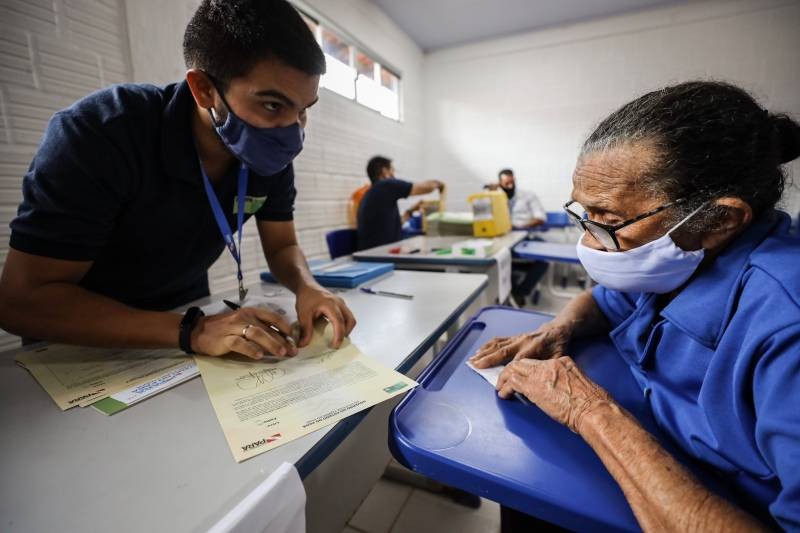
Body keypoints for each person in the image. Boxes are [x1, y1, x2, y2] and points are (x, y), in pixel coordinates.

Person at [470, 81, 800, 531]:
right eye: (583, 215)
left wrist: (589, 412)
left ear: (718, 220)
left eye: (607, 221)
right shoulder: (677, 259)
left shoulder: (786, 325)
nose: (588, 242)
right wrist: (558, 328)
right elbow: (605, 301)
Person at [0, 0, 356, 360]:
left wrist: (308, 287)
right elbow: (22, 301)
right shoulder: (102, 133)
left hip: (186, 330)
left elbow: (281, 247)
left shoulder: (268, 154)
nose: (292, 133)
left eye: (304, 109)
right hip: (79, 344)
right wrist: (193, 330)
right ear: (204, 88)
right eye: (272, 105)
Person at [356, 155, 444, 250]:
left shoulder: (370, 195)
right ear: (385, 171)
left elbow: (389, 227)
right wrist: (439, 184)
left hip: (375, 253)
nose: (394, 175)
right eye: (392, 171)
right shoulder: (385, 185)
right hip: (380, 255)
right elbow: (426, 187)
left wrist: (410, 211)